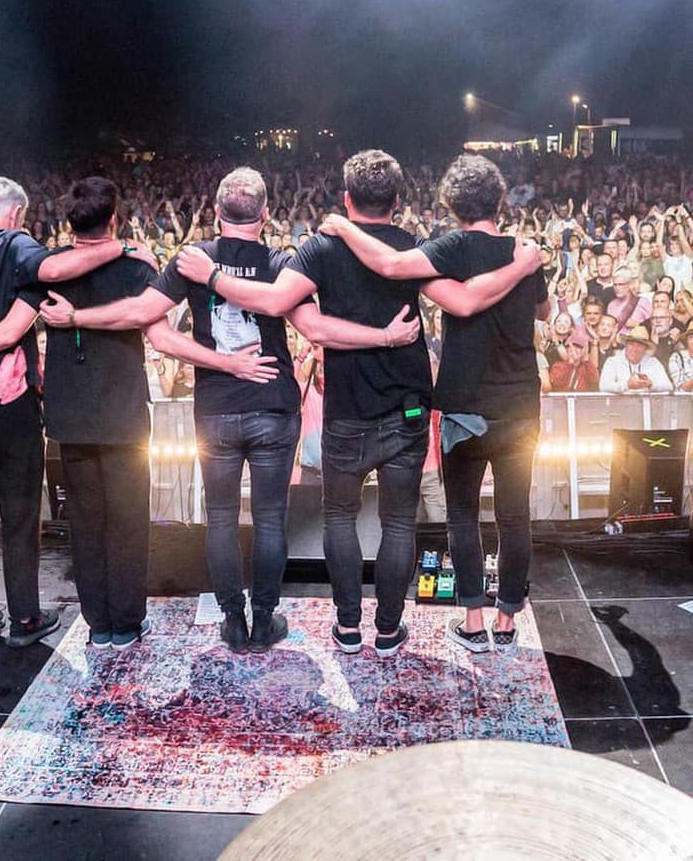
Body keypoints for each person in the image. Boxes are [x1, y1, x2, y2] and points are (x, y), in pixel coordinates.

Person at [41, 166, 421, 654]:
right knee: (270, 519)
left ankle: (233, 621)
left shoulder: (193, 258)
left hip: (217, 409)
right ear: (265, 215)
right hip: (273, 406)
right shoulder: (281, 261)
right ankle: (264, 619)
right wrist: (386, 337)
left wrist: (75, 317)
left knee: (221, 517)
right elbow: (316, 329)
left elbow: (146, 321)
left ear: (217, 212)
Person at [175, 150, 538, 658]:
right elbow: (463, 298)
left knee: (340, 519)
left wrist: (213, 277)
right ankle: (388, 630)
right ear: (397, 200)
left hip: (346, 408)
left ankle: (347, 628)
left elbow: (279, 305)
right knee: (398, 523)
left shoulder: (322, 247)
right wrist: (522, 264)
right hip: (408, 407)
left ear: (346, 198)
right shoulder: (412, 247)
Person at [318, 154, 550, 652]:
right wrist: (521, 270)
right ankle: (506, 622)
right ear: (501, 201)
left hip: (466, 404)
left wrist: (342, 224)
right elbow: (545, 309)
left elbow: (391, 265)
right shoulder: (524, 251)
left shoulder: (449, 248)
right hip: (520, 403)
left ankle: (473, 621)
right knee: (514, 515)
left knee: (462, 514)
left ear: (450, 204)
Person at [36, 176, 277, 651]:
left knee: (84, 519)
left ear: (69, 222)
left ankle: (99, 624)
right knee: (127, 518)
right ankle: (127, 624)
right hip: (120, 409)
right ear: (114, 219)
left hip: (68, 411)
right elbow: (160, 336)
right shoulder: (134, 266)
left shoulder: (49, 269)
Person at [0, 175, 156, 648]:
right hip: (6, 401)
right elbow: (18, 321)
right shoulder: (15, 247)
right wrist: (124, 247)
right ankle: (26, 617)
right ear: (14, 214)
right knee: (22, 513)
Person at [599, 325, 674, 395]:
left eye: (639, 346)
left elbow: (668, 386)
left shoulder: (653, 362)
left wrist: (650, 384)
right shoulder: (613, 362)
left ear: (645, 349)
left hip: (646, 404)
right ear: (626, 345)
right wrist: (627, 385)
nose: (635, 349)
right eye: (631, 344)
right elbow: (603, 386)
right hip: (620, 404)